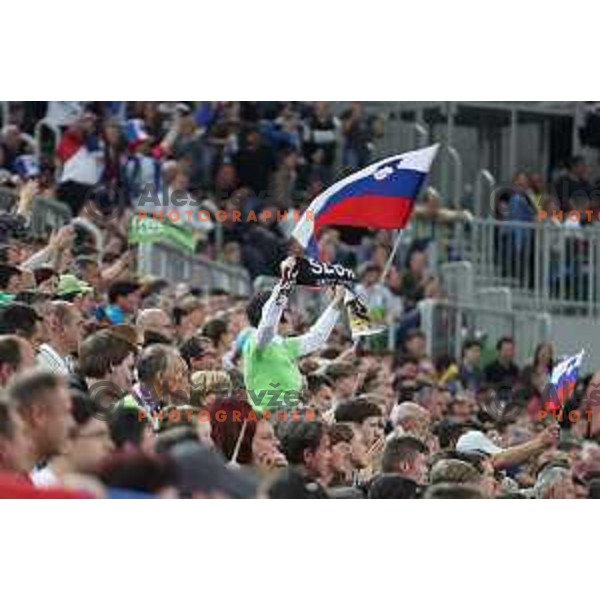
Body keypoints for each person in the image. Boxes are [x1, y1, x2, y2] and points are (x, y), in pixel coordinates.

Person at [243, 257, 344, 412]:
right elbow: (268, 323)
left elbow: (316, 338)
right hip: (267, 421)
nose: (293, 315)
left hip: (290, 418)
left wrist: (336, 305)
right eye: (287, 310)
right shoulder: (256, 341)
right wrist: (286, 281)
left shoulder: (285, 345)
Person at [31, 391, 113, 489]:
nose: (110, 445)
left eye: (108, 437)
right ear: (65, 441)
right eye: (99, 436)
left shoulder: (95, 488)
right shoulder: (34, 491)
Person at [6, 370, 75, 473]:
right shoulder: (9, 478)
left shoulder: (22, 474)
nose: (72, 423)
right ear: (38, 415)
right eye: (66, 413)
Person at [269, 420, 331, 498]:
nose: (329, 456)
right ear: (307, 455)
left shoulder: (271, 485)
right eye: (325, 449)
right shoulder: (310, 493)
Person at [37, 301, 83, 375]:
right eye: (78, 325)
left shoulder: (69, 358)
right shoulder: (41, 361)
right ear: (60, 327)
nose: (82, 331)